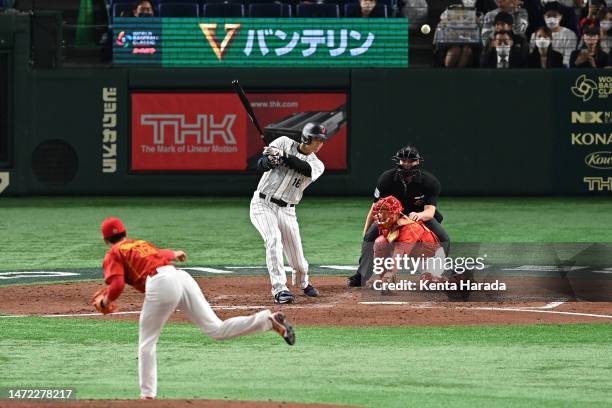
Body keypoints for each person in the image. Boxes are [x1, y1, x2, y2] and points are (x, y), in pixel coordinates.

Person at [93, 217, 295, 400]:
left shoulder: (114, 252)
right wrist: (175, 253)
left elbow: (117, 285)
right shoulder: (138, 243)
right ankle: (267, 321)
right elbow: (159, 254)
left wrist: (105, 301)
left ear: (106, 240)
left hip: (161, 284)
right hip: (181, 276)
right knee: (217, 329)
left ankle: (147, 396)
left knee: (147, 342)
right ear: (124, 233)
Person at [347, 145, 450, 287]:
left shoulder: (430, 181)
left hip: (418, 215)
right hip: (392, 216)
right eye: (403, 160)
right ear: (398, 161)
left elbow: (430, 212)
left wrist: (418, 215)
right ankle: (361, 275)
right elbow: (374, 208)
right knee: (370, 237)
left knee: (444, 238)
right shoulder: (386, 179)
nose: (406, 164)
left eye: (411, 161)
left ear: (418, 162)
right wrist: (366, 233)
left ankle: (438, 273)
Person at [250, 123, 326, 304]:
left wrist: (282, 157)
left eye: (322, 140)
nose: (319, 143)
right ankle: (280, 289)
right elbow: (260, 165)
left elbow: (303, 168)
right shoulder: (283, 142)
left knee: (299, 263)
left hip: (287, 210)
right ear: (306, 137)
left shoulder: (317, 164)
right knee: (273, 239)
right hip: (263, 204)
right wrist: (269, 161)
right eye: (317, 139)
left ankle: (303, 282)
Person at [529, 1, 577, 66]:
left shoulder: (570, 35)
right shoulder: (535, 34)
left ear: (561, 17)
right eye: (548, 16)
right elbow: (532, 55)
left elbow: (568, 58)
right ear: (544, 17)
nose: (551, 19)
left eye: (555, 16)